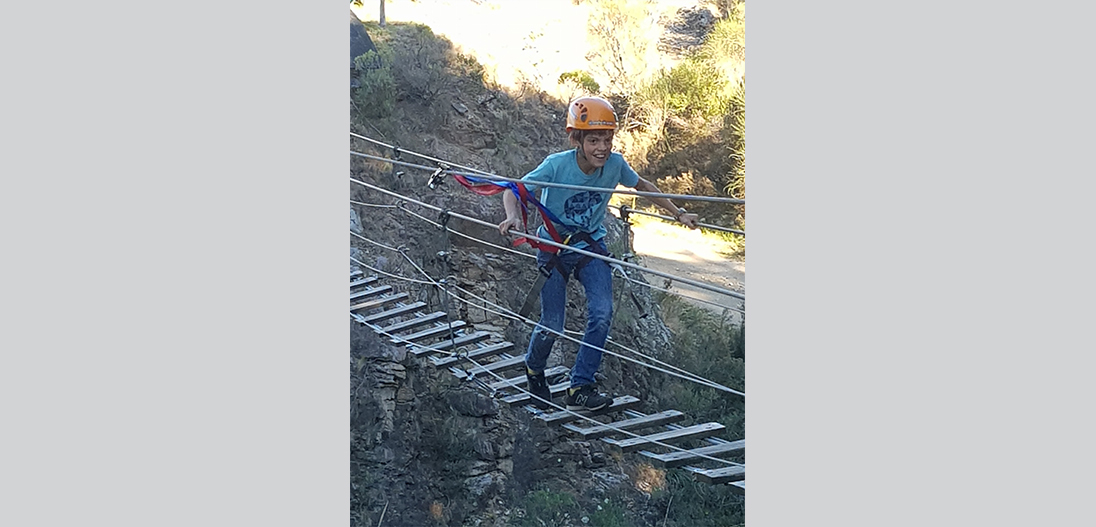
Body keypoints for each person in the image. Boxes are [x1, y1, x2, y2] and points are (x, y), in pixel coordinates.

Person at [497, 96, 699, 411]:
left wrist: (678, 213)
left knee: (602, 313)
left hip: (590, 247)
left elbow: (642, 184)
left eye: (607, 139)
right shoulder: (557, 165)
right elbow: (515, 190)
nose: (602, 147)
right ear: (577, 139)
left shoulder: (615, 165)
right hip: (554, 249)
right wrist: (511, 217)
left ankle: (581, 386)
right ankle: (534, 369)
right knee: (553, 324)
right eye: (593, 140)